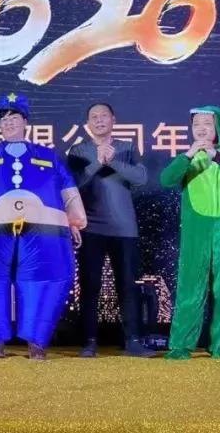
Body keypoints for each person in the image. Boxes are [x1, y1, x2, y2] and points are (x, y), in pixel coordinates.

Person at [0, 93, 87, 360]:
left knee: (46, 274)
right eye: (3, 119)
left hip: (43, 227)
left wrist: (74, 220)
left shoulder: (48, 156)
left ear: (25, 121)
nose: (8, 122)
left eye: (14, 117)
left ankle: (37, 340)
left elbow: (68, 190)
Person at [160, 105, 220, 360]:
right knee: (191, 286)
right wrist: (189, 155)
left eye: (207, 124)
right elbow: (166, 179)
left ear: (219, 127)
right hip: (196, 230)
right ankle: (181, 345)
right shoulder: (188, 157)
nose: (201, 129)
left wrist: (216, 156)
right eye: (196, 124)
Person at [66, 103, 155, 357]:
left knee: (128, 286)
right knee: (90, 285)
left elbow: (141, 178)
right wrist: (97, 162)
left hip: (124, 229)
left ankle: (133, 341)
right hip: (90, 227)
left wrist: (112, 161)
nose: (99, 120)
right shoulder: (78, 150)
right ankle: (89, 342)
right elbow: (74, 185)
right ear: (88, 124)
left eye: (104, 115)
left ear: (113, 119)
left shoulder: (126, 147)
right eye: (94, 117)